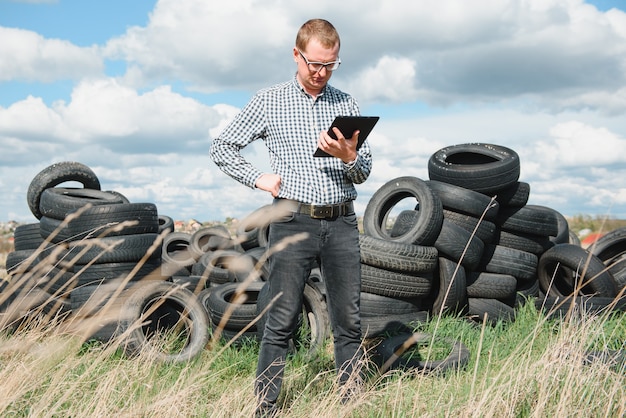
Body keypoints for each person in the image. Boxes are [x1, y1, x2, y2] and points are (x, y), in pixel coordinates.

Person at [210, 18, 372, 416]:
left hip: (342, 222)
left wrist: (349, 157)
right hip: (292, 221)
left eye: (330, 65)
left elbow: (364, 170)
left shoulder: (345, 104)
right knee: (280, 318)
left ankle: (348, 402)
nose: (320, 73)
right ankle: (266, 407)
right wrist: (258, 177)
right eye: (314, 63)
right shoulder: (269, 100)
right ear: (296, 55)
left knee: (348, 321)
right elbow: (222, 147)